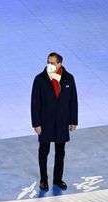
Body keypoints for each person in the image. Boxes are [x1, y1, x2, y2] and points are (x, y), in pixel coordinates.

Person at [31, 52, 78, 191]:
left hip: (62, 122)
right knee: (43, 151)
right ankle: (43, 179)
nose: (49, 65)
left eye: (52, 63)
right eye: (48, 62)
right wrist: (36, 123)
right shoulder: (39, 79)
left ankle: (57, 179)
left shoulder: (69, 79)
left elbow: (73, 101)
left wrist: (73, 120)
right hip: (45, 122)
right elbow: (35, 103)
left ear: (59, 64)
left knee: (60, 152)